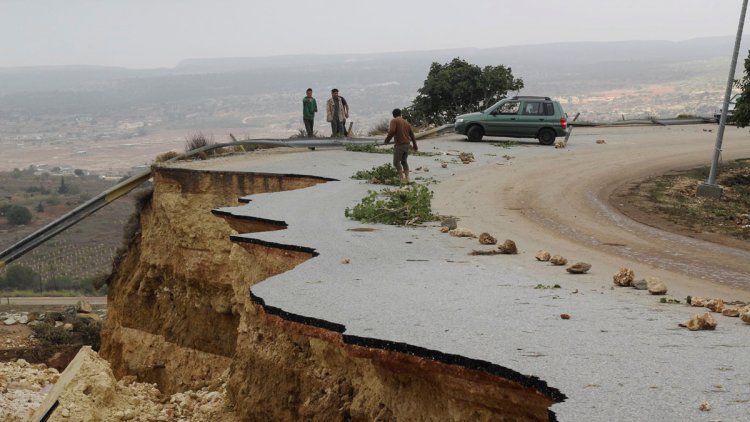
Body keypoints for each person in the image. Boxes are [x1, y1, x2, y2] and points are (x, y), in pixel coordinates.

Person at [383, 108, 418, 185]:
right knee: (404, 161)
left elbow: (392, 131)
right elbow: (412, 135)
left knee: (396, 162)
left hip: (400, 145)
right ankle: (407, 177)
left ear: (393, 115)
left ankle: (402, 178)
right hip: (407, 145)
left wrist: (387, 140)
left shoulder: (394, 120)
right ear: (400, 114)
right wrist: (415, 145)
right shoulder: (406, 123)